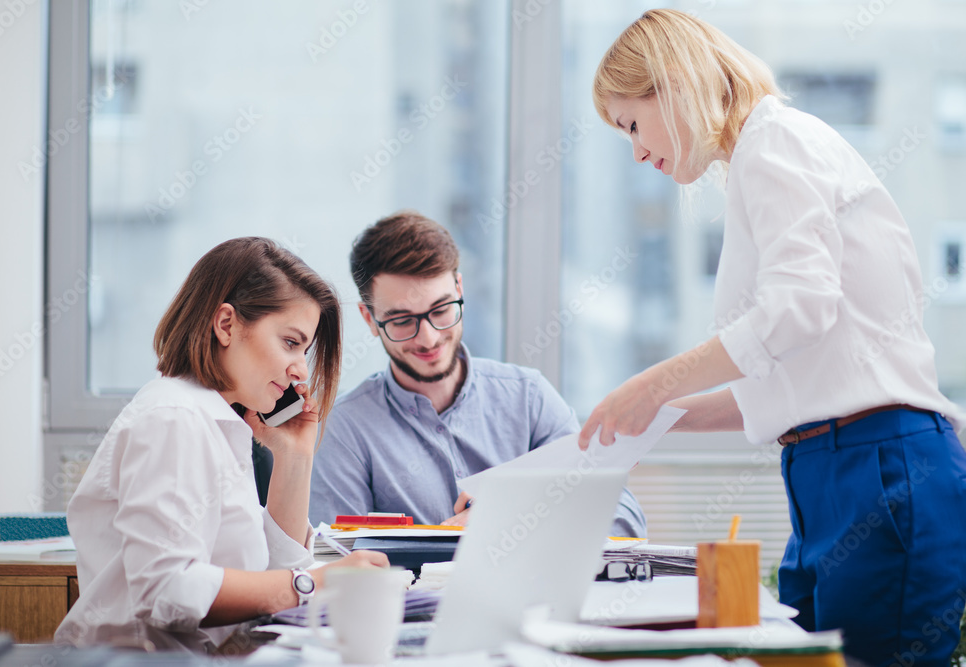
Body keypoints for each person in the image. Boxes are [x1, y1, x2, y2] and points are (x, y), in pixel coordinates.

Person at [584, 9, 966, 666]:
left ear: (676, 83)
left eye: (632, 124)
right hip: (835, 473)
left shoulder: (776, 143)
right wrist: (650, 415)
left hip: (877, 468)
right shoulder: (756, 162)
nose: (639, 150)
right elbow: (792, 381)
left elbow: (797, 309)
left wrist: (654, 381)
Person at [55, 238, 387, 653]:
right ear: (226, 324)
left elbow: (272, 574)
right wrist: (317, 583)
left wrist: (294, 457)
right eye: (290, 342)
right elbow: (168, 590)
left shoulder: (218, 422)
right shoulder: (173, 418)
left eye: (305, 349)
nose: (301, 368)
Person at [309, 211, 647, 537]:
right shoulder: (344, 429)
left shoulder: (529, 397)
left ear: (459, 289)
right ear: (369, 319)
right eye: (401, 321)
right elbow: (336, 560)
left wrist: (511, 512)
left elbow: (624, 521)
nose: (428, 338)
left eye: (440, 311)